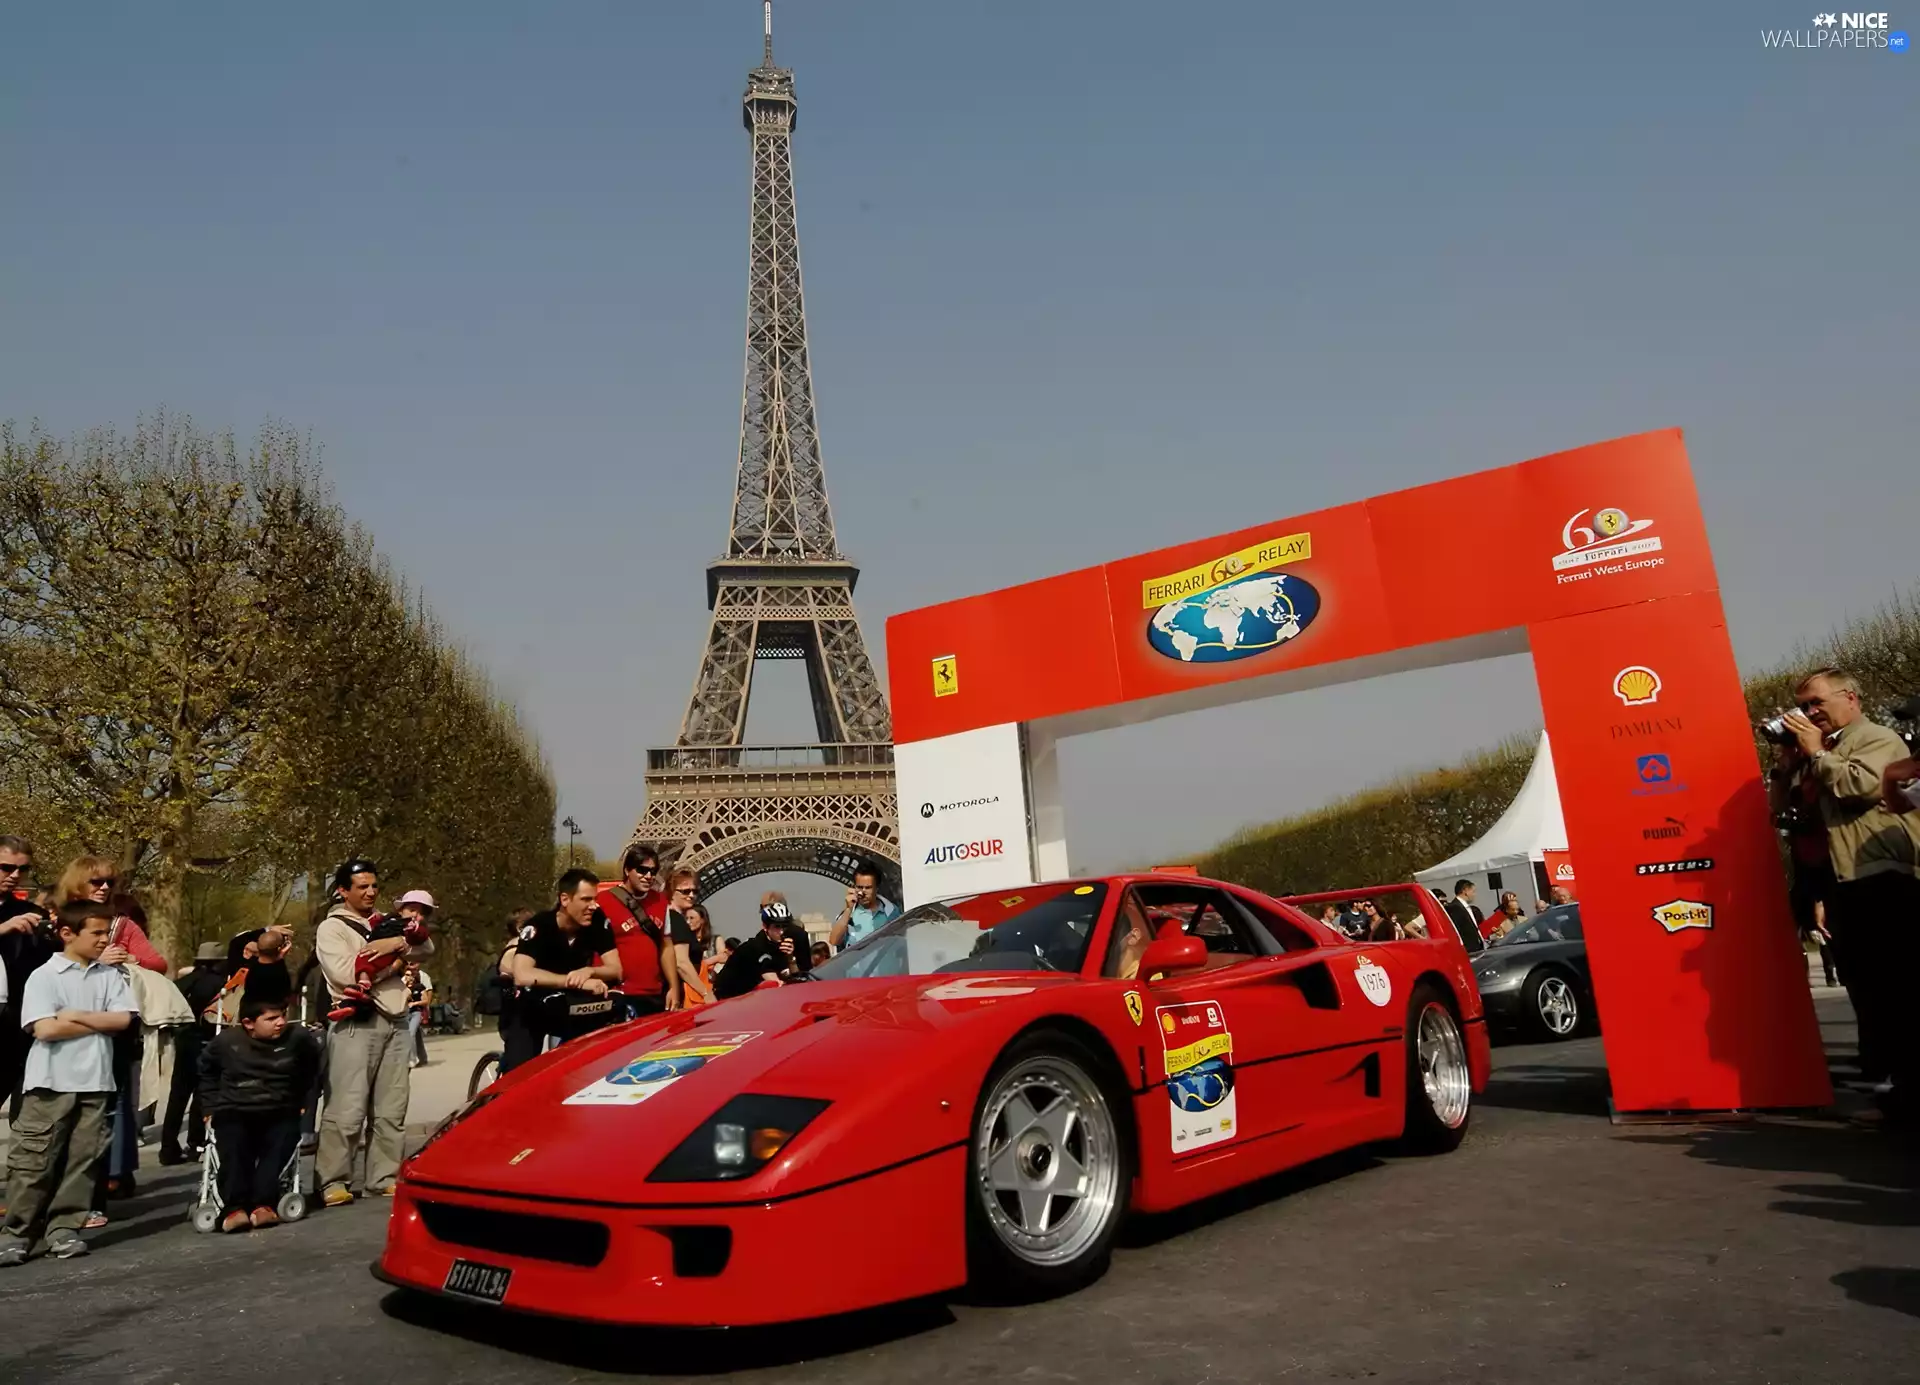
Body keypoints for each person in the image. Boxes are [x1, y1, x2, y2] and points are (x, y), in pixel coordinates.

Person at [1769, 667, 1919, 1126]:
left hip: (1884, 879)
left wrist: (1816, 752)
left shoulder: (1878, 738)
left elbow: (1862, 785)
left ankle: (1905, 1089)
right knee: (1865, 986)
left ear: (1850, 697)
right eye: (1804, 707)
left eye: (1816, 704)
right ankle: (1891, 1085)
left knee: (1898, 989)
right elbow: (1783, 813)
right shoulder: (1823, 752)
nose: (1810, 714)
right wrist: (1786, 767)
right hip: (1842, 881)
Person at [0, 899, 138, 1265]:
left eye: (106, 933)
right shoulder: (44, 976)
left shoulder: (110, 976)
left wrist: (75, 1015)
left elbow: (123, 1020)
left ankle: (64, 1228)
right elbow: (44, 1028)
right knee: (34, 1162)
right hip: (50, 1082)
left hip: (97, 1082)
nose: (103, 940)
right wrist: (98, 1019)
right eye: (95, 933)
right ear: (67, 933)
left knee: (83, 1159)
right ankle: (17, 1233)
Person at [314, 857, 425, 1207]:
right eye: (362, 887)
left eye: (374, 886)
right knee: (346, 1107)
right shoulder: (331, 928)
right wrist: (394, 959)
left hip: (395, 1018)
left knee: (392, 1107)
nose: (371, 892)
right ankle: (332, 1179)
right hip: (355, 1022)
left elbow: (426, 947)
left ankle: (382, 1176)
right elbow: (345, 973)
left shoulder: (386, 923)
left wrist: (393, 947)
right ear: (343, 890)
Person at [197, 995, 321, 1232]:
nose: (281, 1022)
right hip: (235, 1108)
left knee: (280, 1144)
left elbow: (311, 1070)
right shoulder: (226, 1043)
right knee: (234, 1148)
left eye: (283, 1015)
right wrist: (209, 1108)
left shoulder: (298, 1039)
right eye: (272, 1018)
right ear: (249, 1023)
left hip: (280, 1108)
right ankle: (234, 1208)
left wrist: (303, 1100)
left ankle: (263, 1203)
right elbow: (206, 1073)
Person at [507, 869, 623, 1071]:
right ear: (565, 899)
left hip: (568, 1004)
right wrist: (573, 980)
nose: (593, 906)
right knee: (518, 1072)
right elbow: (522, 974)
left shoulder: (597, 921)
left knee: (583, 1064)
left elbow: (616, 969)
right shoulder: (539, 925)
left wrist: (589, 972)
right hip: (531, 1007)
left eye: (594, 899)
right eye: (586, 899)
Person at [157, 942, 229, 1165]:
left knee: (177, 1095)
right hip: (206, 1040)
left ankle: (167, 1147)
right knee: (201, 1094)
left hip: (184, 1039)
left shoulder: (181, 982)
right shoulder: (219, 984)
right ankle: (196, 1143)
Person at [0, 836, 53, 1123]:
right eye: (6, 868)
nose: (15, 876)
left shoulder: (32, 914)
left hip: (18, 1026)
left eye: (23, 870)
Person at [324, 888, 431, 1023]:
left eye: (422, 913)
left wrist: (403, 940)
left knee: (366, 962)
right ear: (401, 910)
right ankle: (349, 1003)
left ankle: (363, 984)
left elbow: (425, 944)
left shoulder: (414, 927)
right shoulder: (389, 919)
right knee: (362, 962)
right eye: (412, 910)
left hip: (389, 956)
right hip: (374, 951)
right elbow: (376, 926)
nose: (416, 915)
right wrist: (375, 921)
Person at [597, 847, 677, 1020]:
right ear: (627, 870)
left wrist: (673, 986)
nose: (648, 876)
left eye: (653, 871)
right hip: (617, 993)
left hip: (653, 993)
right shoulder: (602, 902)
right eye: (642, 870)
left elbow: (666, 945)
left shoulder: (661, 902)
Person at [712, 896, 812, 999]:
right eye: (777, 926)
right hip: (728, 996)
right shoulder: (756, 947)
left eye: (784, 926)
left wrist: (791, 958)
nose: (781, 931)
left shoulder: (789, 939)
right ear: (765, 927)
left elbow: (798, 977)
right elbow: (774, 983)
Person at [664, 873, 713, 1007]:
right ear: (671, 892)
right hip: (679, 996)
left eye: (695, 891)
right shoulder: (677, 920)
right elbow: (681, 963)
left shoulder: (668, 917)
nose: (691, 895)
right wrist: (705, 993)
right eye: (685, 891)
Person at [828, 862, 901, 952]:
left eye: (868, 888)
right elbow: (834, 940)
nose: (862, 892)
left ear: (877, 888)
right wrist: (848, 909)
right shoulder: (848, 915)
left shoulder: (892, 912)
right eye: (859, 887)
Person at [1441, 882, 1487, 955]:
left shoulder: (1465, 907)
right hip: (1468, 951)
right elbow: (1456, 930)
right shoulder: (1454, 907)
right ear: (1465, 891)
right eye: (1473, 891)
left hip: (1477, 949)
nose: (1474, 894)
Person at [403, 961, 433, 1068]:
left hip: (417, 1012)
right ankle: (423, 1057)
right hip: (406, 1013)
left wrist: (426, 1008)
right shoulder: (402, 985)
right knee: (416, 1034)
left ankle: (413, 1058)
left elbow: (428, 993)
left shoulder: (423, 979)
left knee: (411, 1033)